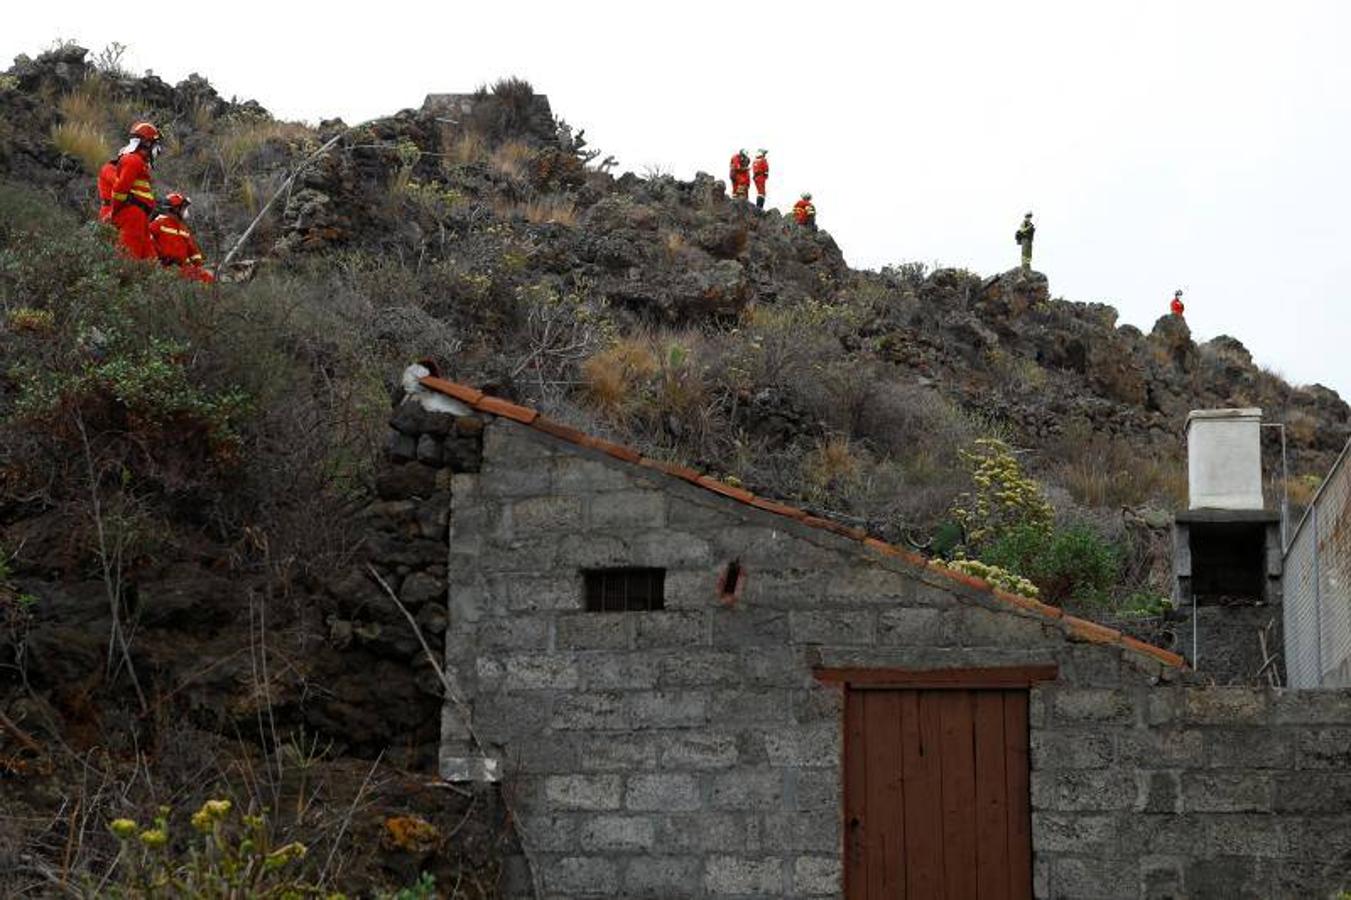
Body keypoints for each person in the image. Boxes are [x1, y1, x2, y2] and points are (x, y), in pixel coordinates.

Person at [108, 122, 163, 260]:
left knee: (149, 262)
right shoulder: (133, 161)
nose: (157, 149)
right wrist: (115, 213)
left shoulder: (138, 162)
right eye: (154, 144)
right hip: (132, 216)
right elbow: (120, 190)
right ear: (146, 143)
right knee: (129, 258)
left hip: (140, 217)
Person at [149, 193, 215, 283]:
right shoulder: (159, 223)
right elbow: (147, 238)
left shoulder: (183, 229)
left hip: (183, 268)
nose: (185, 211)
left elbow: (193, 251)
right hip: (164, 267)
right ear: (175, 209)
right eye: (183, 208)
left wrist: (199, 265)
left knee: (208, 279)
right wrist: (157, 257)